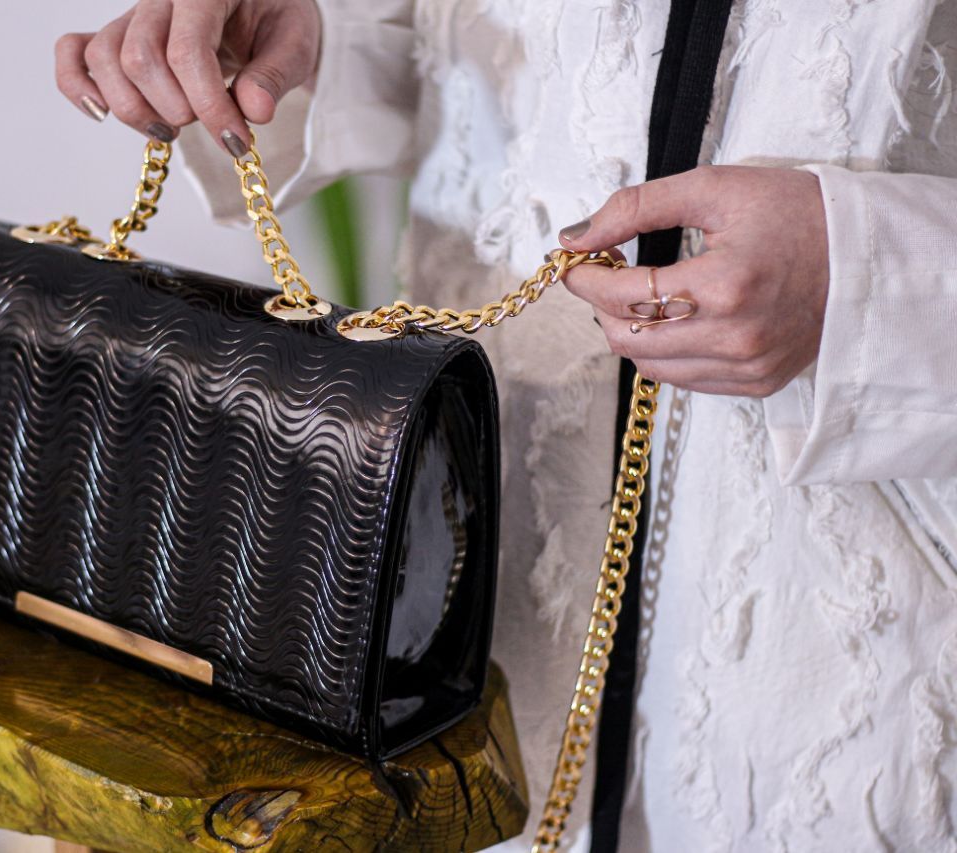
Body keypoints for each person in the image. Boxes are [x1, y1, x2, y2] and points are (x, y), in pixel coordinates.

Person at [54, 1, 957, 849]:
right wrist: (307, 40)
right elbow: (460, 51)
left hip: (836, 630)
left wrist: (874, 277)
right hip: (478, 565)